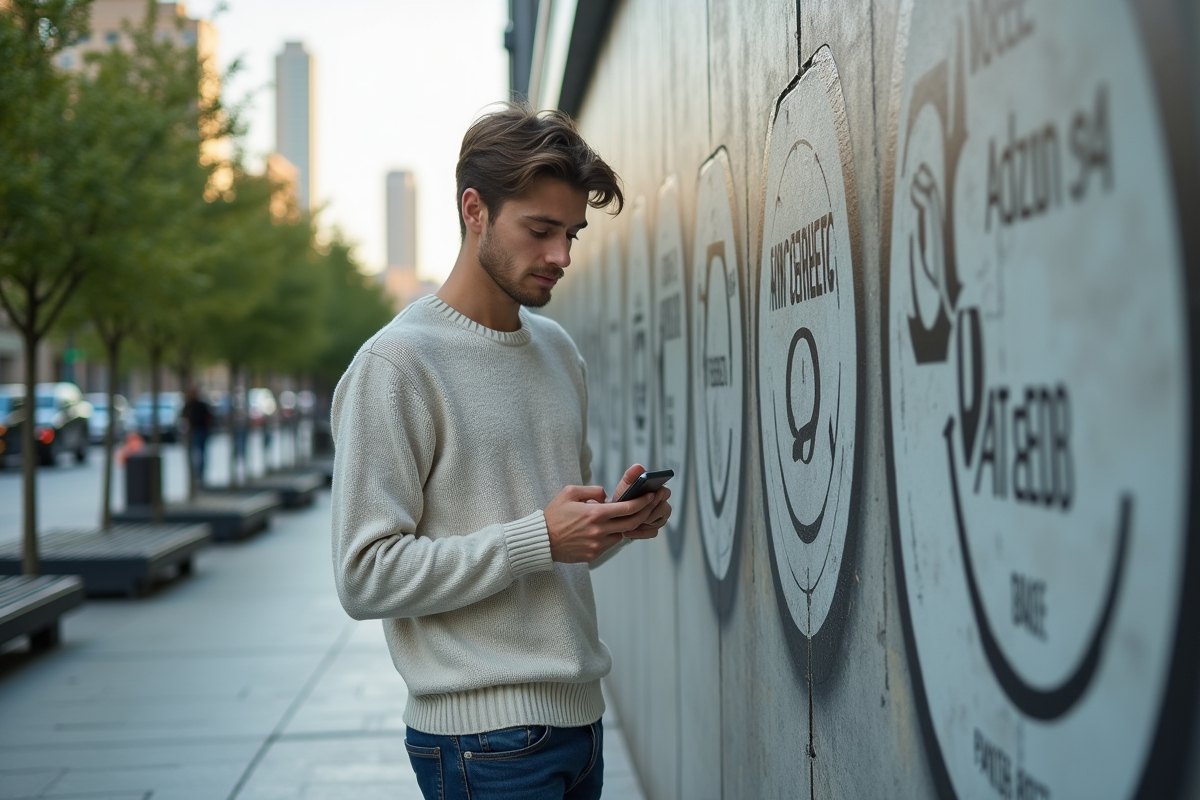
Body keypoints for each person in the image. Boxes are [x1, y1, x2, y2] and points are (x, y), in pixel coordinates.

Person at [330, 103, 672, 800]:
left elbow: (548, 547)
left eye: (571, 234)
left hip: (579, 724)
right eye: (541, 230)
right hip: (482, 746)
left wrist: (609, 528)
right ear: (474, 209)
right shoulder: (397, 364)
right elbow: (364, 575)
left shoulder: (557, 350)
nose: (562, 257)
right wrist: (540, 536)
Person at [182, 388, 212, 489]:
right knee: (195, 453)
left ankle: (200, 473)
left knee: (201, 453)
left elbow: (208, 417)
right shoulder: (188, 405)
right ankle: (196, 473)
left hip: (201, 431)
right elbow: (183, 416)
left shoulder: (201, 405)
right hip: (194, 432)